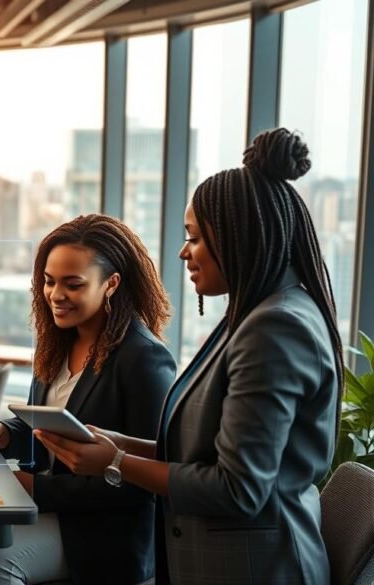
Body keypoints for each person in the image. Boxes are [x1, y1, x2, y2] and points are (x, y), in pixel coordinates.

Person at [37, 128, 342, 584]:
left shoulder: (275, 329)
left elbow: (238, 489)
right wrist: (119, 444)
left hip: (254, 570)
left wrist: (115, 464)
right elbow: (205, 454)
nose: (184, 252)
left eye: (195, 238)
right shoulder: (255, 316)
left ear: (238, 236)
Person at [0, 213, 176, 585]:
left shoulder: (144, 359)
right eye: (49, 281)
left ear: (111, 284)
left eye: (73, 284)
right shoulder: (57, 344)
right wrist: (5, 433)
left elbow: (142, 481)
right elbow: (46, 428)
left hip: (102, 530)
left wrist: (31, 486)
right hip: (44, 504)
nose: (56, 295)